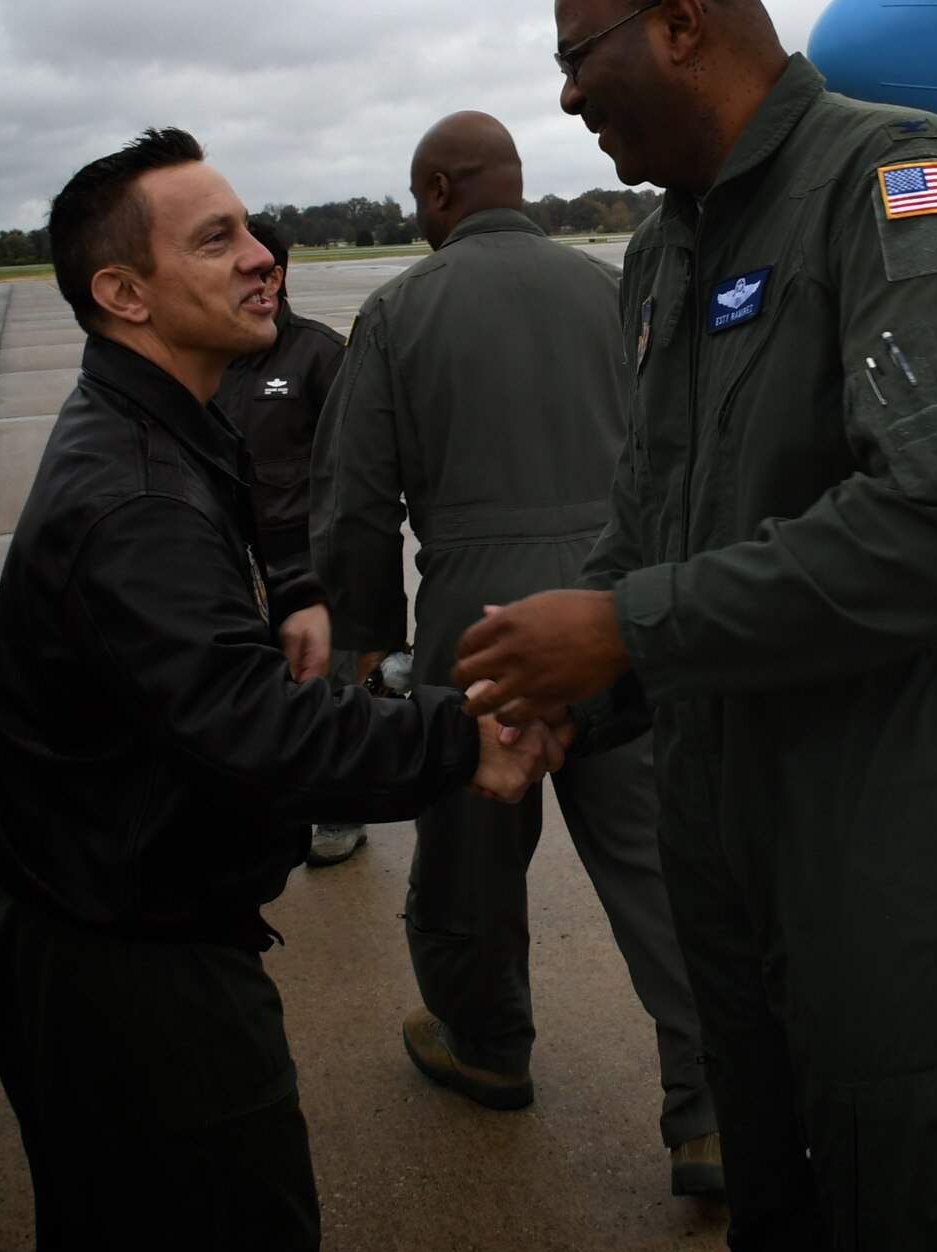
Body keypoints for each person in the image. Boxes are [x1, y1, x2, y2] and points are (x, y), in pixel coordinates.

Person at [455, 0, 937, 1252]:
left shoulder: (903, 185)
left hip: (899, 824)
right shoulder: (663, 255)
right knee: (779, 1218)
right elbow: (652, 524)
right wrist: (571, 693)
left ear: (682, 20)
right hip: (727, 839)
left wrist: (624, 626)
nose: (564, 98)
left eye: (581, 53)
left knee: (920, 1226)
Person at [0, 128, 564, 1252]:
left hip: (99, 916)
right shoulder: (133, 494)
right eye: (216, 239)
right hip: (132, 974)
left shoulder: (162, 428)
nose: (260, 258)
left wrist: (288, 594)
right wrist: (455, 735)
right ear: (123, 294)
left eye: (249, 229)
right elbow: (249, 729)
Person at [308, 110, 719, 1191]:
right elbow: (679, 452)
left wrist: (369, 642)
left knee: (471, 852)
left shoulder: (398, 310)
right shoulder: (611, 286)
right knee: (652, 854)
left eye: (415, 196)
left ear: (441, 190)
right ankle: (712, 1108)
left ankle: (485, 1043)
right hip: (611, 598)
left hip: (477, 616)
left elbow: (355, 504)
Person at [215, 215, 365, 867]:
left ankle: (338, 813)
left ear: (283, 274)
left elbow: (362, 465)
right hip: (231, 563)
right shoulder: (208, 357)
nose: (260, 282)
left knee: (321, 693)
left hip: (310, 560)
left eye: (271, 270)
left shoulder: (319, 354)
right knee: (246, 698)